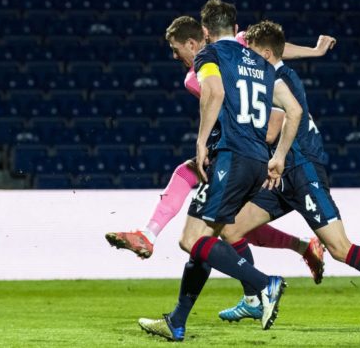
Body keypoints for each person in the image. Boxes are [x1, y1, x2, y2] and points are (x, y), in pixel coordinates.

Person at [215, 20, 360, 330]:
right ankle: (252, 300)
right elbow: (277, 48)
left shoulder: (275, 82)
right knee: (232, 230)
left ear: (262, 53)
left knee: (340, 248)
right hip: (281, 174)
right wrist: (315, 52)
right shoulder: (271, 70)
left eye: (249, 52)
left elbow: (276, 127)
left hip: (302, 172)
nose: (244, 57)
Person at [105, 16, 337, 284]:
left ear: (193, 43)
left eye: (175, 49)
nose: (174, 56)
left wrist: (314, 51)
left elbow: (274, 48)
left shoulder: (208, 68)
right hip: (251, 140)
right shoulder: (213, 63)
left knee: (217, 221)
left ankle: (257, 288)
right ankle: (291, 257)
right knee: (228, 223)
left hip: (265, 141)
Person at [138, 0, 303, 341]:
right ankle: (177, 321)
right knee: (208, 238)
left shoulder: (209, 56)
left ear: (205, 32)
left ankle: (263, 284)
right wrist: (280, 156)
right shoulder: (261, 62)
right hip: (258, 161)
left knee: (192, 239)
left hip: (231, 158)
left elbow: (212, 91)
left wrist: (201, 142)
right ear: (236, 25)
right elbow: (295, 111)